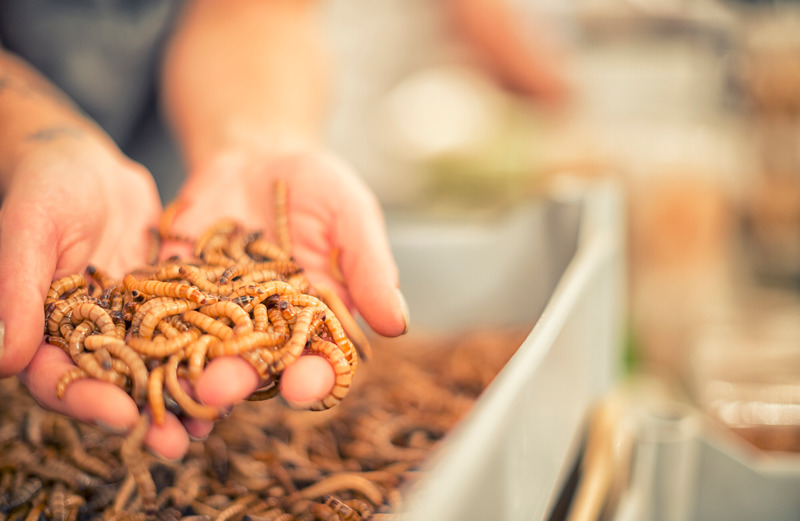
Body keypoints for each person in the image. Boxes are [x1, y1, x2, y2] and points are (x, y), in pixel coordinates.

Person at [0, 0, 408, 460]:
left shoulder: (228, 283)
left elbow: (250, 12)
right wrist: (29, 132)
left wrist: (257, 142)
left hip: (166, 195)